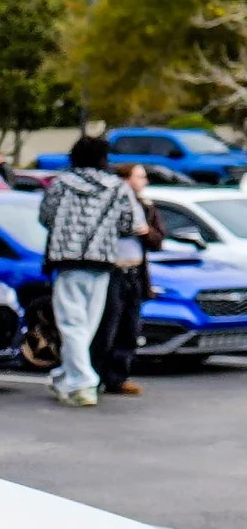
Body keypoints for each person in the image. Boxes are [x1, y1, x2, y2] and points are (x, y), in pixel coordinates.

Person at [38, 134, 139, 407]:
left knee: (72, 324)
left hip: (67, 259)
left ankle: (82, 383)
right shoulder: (117, 188)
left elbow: (45, 217)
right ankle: (66, 378)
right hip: (103, 261)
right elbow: (131, 223)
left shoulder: (60, 185)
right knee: (87, 325)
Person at [94, 162, 165, 398]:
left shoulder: (146, 206)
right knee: (107, 325)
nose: (144, 181)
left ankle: (118, 376)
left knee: (130, 326)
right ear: (124, 179)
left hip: (135, 272)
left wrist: (146, 232)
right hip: (112, 270)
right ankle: (95, 374)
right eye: (139, 176)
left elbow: (157, 239)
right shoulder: (109, 203)